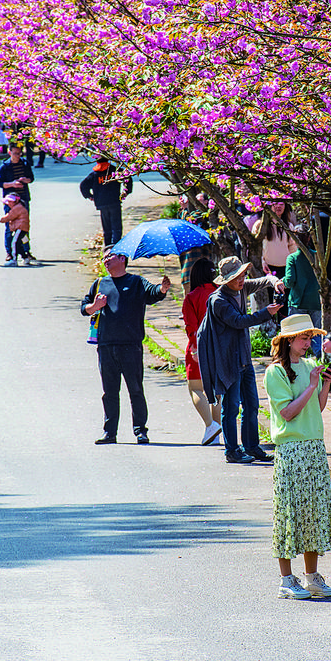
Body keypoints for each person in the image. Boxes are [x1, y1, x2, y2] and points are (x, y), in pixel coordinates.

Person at [263, 313, 331, 599]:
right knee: (289, 513)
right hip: (292, 449)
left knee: (313, 514)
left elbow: (315, 409)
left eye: (310, 337)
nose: (309, 343)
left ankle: (311, 577)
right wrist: (310, 385)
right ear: (288, 340)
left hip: (314, 448)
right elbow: (288, 413)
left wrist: (325, 384)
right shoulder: (275, 372)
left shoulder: (309, 366)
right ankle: (286, 579)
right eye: (304, 337)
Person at [197, 256, 283, 464]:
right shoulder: (218, 300)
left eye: (243, 275)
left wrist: (275, 282)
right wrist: (266, 313)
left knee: (252, 405)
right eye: (237, 277)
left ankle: (252, 447)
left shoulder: (241, 288)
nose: (241, 280)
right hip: (228, 361)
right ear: (226, 280)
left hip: (244, 358)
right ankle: (232, 451)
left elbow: (262, 281)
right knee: (231, 408)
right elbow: (239, 321)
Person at [80, 250, 171, 445]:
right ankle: (109, 433)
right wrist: (95, 306)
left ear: (122, 259)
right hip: (106, 345)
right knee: (109, 392)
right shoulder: (99, 283)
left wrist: (162, 289)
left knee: (136, 390)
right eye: (104, 258)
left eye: (109, 257)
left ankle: (140, 431)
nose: (105, 261)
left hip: (131, 346)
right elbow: (84, 307)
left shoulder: (137, 282)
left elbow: (153, 294)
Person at [182, 257, 222, 445]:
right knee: (216, 391)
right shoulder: (220, 293)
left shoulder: (192, 297)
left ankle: (210, 426)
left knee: (196, 388)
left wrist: (194, 347)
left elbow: (191, 326)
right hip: (220, 348)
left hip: (199, 347)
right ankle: (216, 432)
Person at [80, 157, 133, 247]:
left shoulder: (95, 174)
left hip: (102, 204)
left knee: (107, 228)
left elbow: (83, 185)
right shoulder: (115, 170)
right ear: (108, 160)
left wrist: (90, 196)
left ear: (97, 161)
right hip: (114, 202)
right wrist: (126, 191)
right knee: (117, 227)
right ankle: (116, 247)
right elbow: (128, 178)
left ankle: (107, 247)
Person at [283, 236, 322, 357]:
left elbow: (290, 281)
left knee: (296, 335)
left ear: (294, 239)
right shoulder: (317, 256)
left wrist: (282, 281)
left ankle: (298, 360)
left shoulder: (293, 258)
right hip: (315, 300)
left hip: (298, 301)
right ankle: (320, 360)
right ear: (310, 238)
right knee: (316, 335)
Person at [0, 143, 35, 260]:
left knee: (24, 227)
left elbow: (31, 178)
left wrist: (25, 180)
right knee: (9, 226)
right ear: (10, 153)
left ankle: (26, 251)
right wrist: (12, 184)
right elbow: (0, 183)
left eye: (19, 153)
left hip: (23, 200)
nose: (17, 156)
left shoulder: (25, 163)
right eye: (15, 153)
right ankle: (9, 252)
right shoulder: (4, 167)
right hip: (11, 202)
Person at [0, 193, 33, 266]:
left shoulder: (17, 208)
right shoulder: (18, 207)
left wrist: (0, 219)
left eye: (10, 201)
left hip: (20, 228)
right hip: (21, 228)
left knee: (14, 243)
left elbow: (9, 216)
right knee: (18, 244)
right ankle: (25, 257)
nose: (8, 204)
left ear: (16, 201)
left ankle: (14, 259)